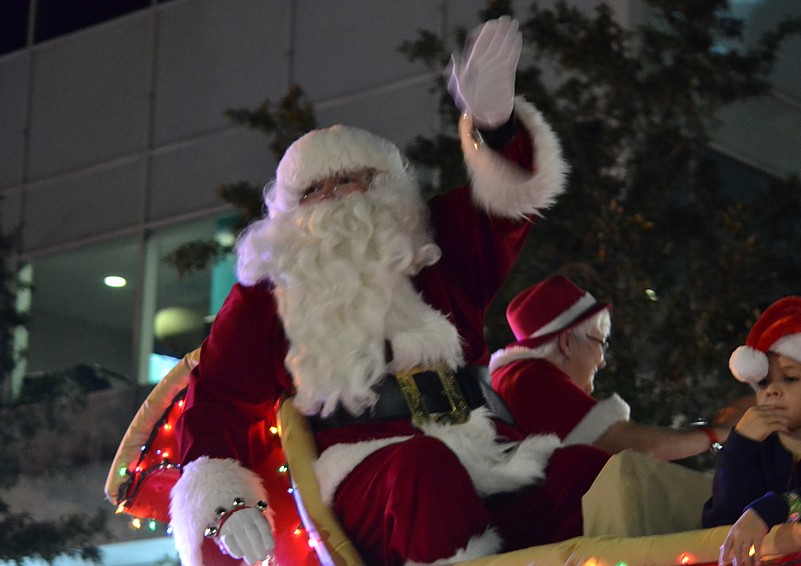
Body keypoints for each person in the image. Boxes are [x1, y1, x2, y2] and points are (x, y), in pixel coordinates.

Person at [168, 17, 611, 566]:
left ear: (387, 187)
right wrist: (226, 502)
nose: (335, 198)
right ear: (291, 211)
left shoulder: (437, 246)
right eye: (314, 190)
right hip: (372, 472)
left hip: (486, 453)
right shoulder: (271, 291)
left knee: (586, 474)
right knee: (424, 470)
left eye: (350, 180)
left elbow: (509, 205)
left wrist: (495, 127)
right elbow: (216, 399)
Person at [489, 275, 731, 460]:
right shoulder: (534, 380)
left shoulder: (513, 377)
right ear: (567, 343)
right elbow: (632, 446)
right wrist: (716, 435)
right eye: (601, 343)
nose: (602, 361)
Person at [702, 296, 801, 565]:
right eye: (762, 383)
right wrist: (740, 444)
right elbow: (720, 523)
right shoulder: (754, 453)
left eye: (789, 378)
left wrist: (772, 509)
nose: (771, 390)